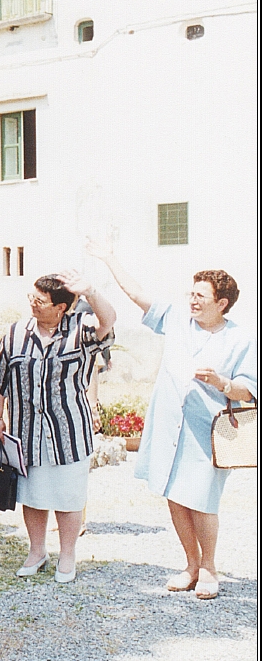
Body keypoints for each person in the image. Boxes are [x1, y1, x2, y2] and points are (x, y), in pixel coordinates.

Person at [88, 239, 257, 599]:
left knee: (203, 500)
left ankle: (210, 567)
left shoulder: (241, 338)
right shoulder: (178, 320)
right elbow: (137, 295)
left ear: (222, 303)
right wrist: (110, 258)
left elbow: (248, 389)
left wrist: (222, 383)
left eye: (201, 296)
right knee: (175, 496)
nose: (192, 301)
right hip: (168, 427)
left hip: (209, 431)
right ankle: (190, 565)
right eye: (191, 294)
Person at [0, 272, 116, 584]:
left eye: (40, 301)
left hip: (68, 432)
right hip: (26, 432)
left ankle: (68, 554)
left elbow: (108, 321)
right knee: (33, 495)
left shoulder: (81, 330)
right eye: (32, 297)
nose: (33, 304)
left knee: (69, 497)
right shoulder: (16, 333)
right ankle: (37, 551)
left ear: (61, 308)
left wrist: (91, 292)